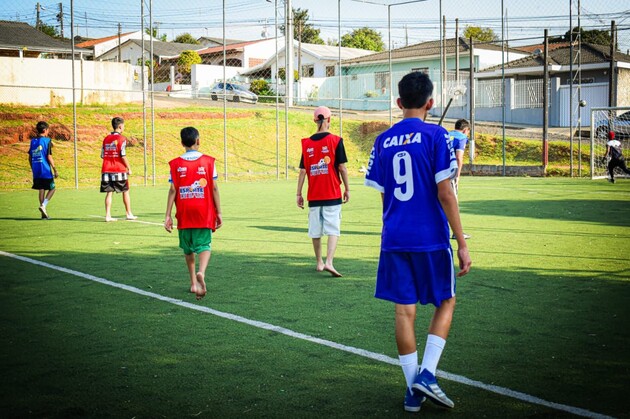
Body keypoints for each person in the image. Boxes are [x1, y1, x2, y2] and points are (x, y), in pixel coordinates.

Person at [364, 72, 472, 413]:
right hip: (429, 237)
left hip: (394, 236)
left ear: (398, 103)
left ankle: (413, 391)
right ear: (431, 102)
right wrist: (461, 241)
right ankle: (427, 374)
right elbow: (446, 192)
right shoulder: (439, 136)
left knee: (403, 311)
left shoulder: (381, 141)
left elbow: (384, 197)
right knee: (447, 300)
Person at [164, 127, 222, 300]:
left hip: (184, 211)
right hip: (203, 211)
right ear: (198, 141)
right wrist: (219, 212)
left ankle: (192, 283)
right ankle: (201, 273)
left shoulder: (175, 164)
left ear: (182, 143)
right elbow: (215, 188)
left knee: (188, 249)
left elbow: (173, 189)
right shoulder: (209, 162)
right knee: (204, 245)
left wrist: (167, 215)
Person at [296, 106, 350, 278]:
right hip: (332, 194)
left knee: (315, 230)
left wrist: (298, 193)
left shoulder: (306, 143)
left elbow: (303, 170)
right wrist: (347, 188)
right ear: (329, 120)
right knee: (333, 228)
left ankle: (319, 262)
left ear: (314, 120)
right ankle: (329, 262)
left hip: (314, 195)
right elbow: (342, 167)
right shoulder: (336, 140)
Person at [100, 117, 137, 222]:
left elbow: (102, 155)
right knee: (125, 191)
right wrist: (129, 168)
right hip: (119, 170)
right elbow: (123, 155)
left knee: (109, 192)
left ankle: (107, 215)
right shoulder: (122, 139)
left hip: (106, 170)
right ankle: (128, 213)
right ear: (120, 126)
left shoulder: (106, 138)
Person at [28, 121, 58, 219]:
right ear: (45, 130)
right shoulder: (47, 141)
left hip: (36, 170)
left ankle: (43, 214)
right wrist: (55, 169)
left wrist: (33, 168)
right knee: (52, 188)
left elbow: (30, 157)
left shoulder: (33, 141)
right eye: (48, 130)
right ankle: (43, 205)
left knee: (41, 189)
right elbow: (49, 157)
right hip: (45, 170)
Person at [448, 119, 471, 239]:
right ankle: (456, 233)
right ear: (466, 130)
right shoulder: (461, 137)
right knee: (453, 203)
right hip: (450, 172)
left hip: (437, 172)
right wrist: (457, 175)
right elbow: (459, 157)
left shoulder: (445, 135)